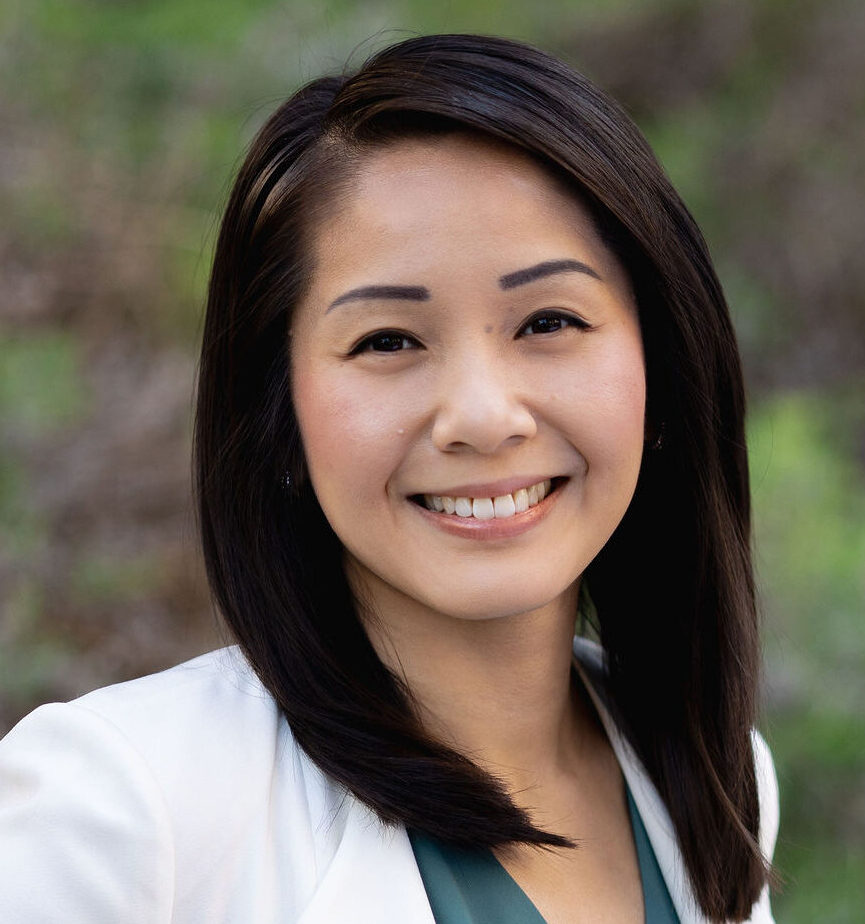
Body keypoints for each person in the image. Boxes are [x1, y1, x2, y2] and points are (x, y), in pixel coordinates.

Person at [0, 33, 778, 923]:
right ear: (277, 409)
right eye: (388, 341)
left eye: (549, 320)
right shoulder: (124, 808)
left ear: (665, 367)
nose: (484, 417)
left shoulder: (717, 777)